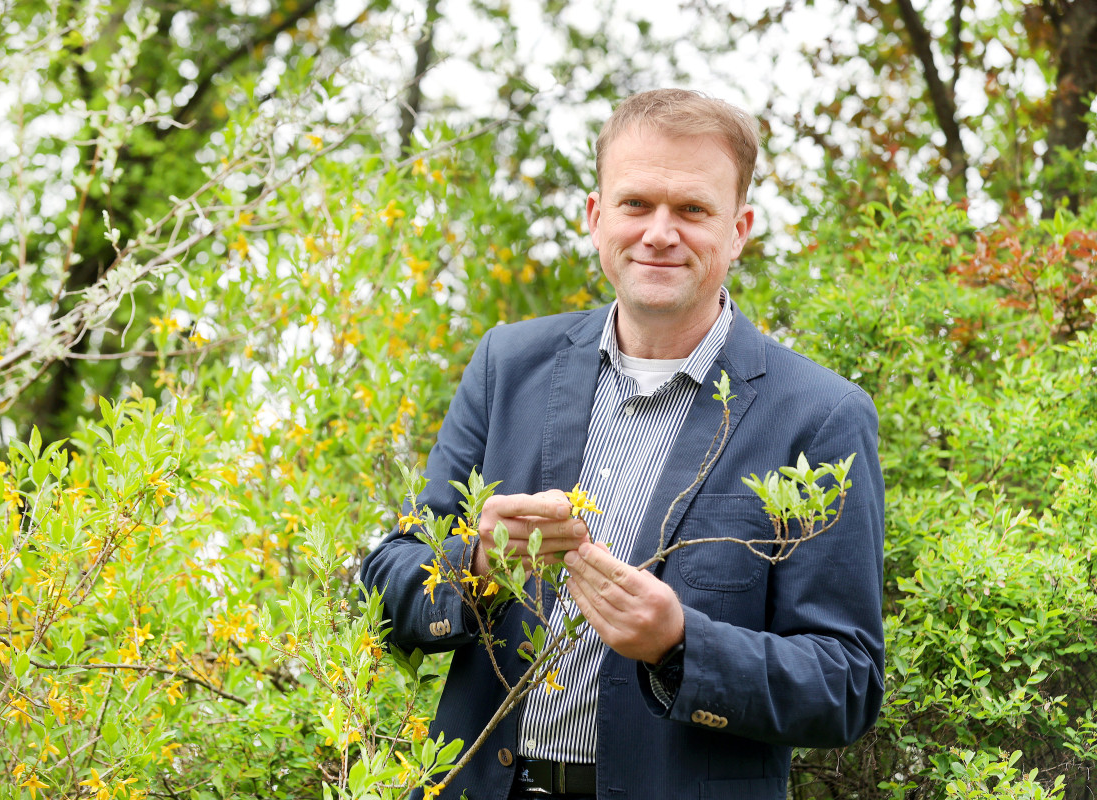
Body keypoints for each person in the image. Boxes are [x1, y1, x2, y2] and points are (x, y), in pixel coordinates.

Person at [361, 88, 885, 800]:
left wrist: (681, 644)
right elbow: (388, 578)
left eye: (692, 209)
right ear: (596, 216)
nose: (660, 233)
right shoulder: (506, 365)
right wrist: (479, 564)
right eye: (636, 203)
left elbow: (847, 684)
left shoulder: (820, 416)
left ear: (738, 230)